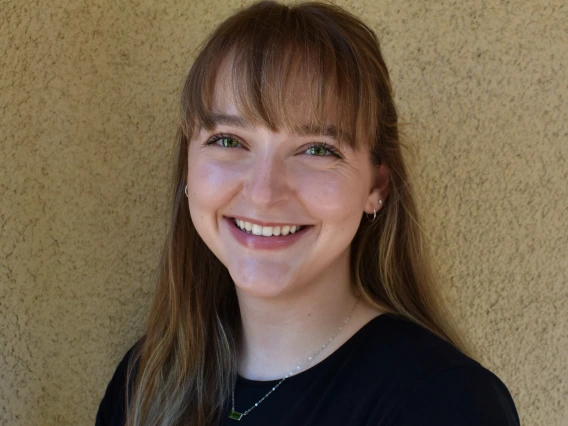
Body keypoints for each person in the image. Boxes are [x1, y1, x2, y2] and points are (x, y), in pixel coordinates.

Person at [95, 1, 520, 425]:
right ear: (188, 166)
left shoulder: (446, 402)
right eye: (228, 140)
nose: (263, 193)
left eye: (317, 149)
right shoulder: (145, 381)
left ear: (376, 186)